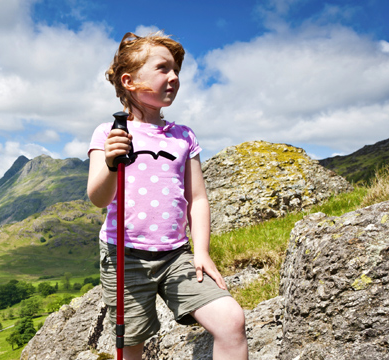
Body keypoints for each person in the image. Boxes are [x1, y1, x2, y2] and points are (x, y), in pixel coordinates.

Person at [87, 32, 248, 360]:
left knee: (231, 320)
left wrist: (201, 251)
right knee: (131, 347)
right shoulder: (109, 133)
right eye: (162, 68)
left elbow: (198, 198)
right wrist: (109, 163)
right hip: (125, 257)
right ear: (129, 80)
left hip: (178, 256)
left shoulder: (184, 136)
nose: (174, 77)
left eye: (176, 70)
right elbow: (99, 198)